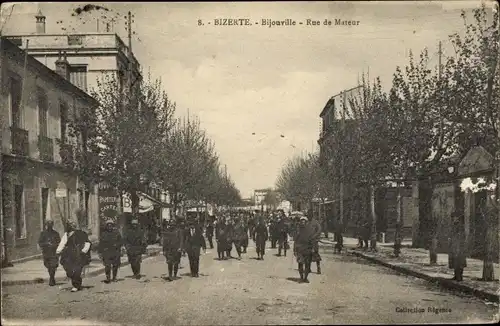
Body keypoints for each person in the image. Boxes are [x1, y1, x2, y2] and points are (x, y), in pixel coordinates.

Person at [56, 220, 92, 292]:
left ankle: (76, 285)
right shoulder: (66, 234)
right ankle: (76, 280)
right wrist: (58, 251)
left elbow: (87, 243)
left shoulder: (81, 233)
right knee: (68, 270)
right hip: (68, 254)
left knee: (77, 270)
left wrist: (84, 251)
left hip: (78, 254)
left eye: (73, 224)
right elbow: (62, 243)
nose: (72, 226)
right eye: (70, 225)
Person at [38, 220, 61, 286]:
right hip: (46, 253)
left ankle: (52, 279)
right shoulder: (43, 233)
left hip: (54, 253)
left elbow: (59, 242)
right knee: (48, 266)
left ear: (52, 225)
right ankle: (52, 277)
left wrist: (54, 245)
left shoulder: (56, 233)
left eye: (51, 225)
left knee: (53, 266)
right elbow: (40, 242)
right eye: (48, 225)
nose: (49, 226)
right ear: (46, 225)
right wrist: (46, 244)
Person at [294, 216, 313, 283]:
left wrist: (312, 247)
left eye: (304, 221)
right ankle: (301, 277)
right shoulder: (298, 230)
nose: (303, 222)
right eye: (301, 221)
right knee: (300, 263)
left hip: (308, 249)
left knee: (308, 264)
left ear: (306, 222)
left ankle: (306, 278)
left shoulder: (310, 229)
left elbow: (312, 239)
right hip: (300, 249)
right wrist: (295, 249)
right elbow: (295, 240)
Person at [448, 211, 467, 281]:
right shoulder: (453, 225)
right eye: (453, 218)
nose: (453, 219)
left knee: (459, 261)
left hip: (459, 246)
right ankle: (456, 275)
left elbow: (461, 237)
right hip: (453, 245)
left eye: (455, 217)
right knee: (454, 261)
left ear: (458, 218)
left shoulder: (460, 226)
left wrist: (458, 247)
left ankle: (460, 276)